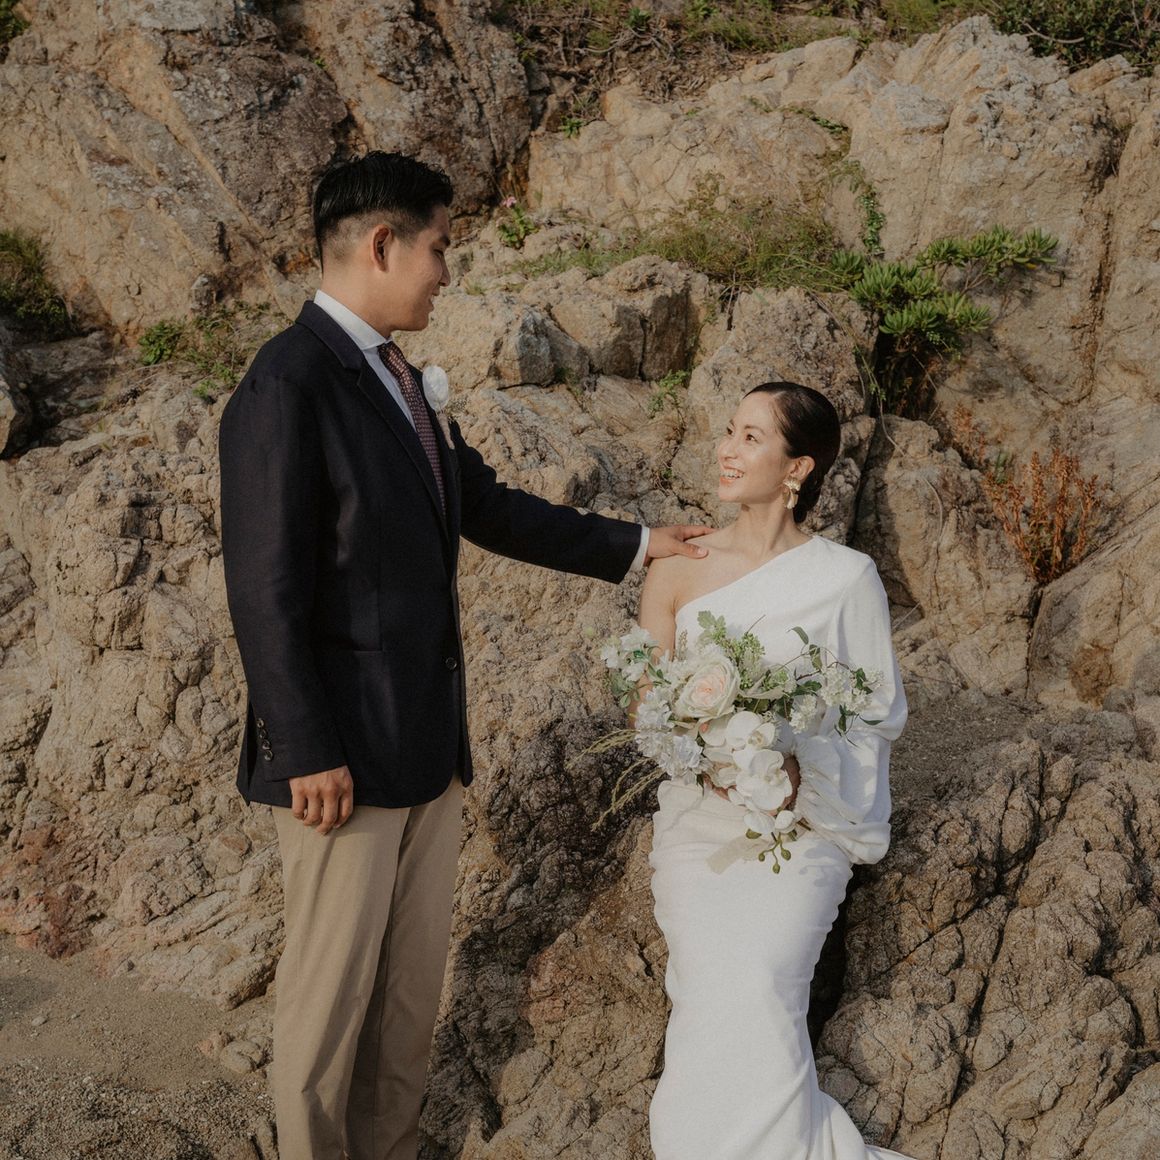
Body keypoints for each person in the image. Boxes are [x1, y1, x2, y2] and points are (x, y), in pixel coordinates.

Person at [217, 150, 710, 1160]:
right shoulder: (288, 381)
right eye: (439, 249)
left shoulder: (397, 378)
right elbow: (263, 587)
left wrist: (637, 542)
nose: (447, 272)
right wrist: (305, 746)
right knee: (326, 1007)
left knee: (406, 997)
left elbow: (483, 505)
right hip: (340, 762)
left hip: (427, 749)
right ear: (382, 243)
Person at [638, 382, 912, 1159]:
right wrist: (710, 753)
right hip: (702, 825)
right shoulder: (679, 567)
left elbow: (875, 713)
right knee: (708, 986)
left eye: (751, 437)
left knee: (760, 978)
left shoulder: (846, 578)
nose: (727, 450)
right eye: (729, 431)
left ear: (798, 468)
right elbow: (646, 706)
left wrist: (797, 765)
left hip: (805, 825)